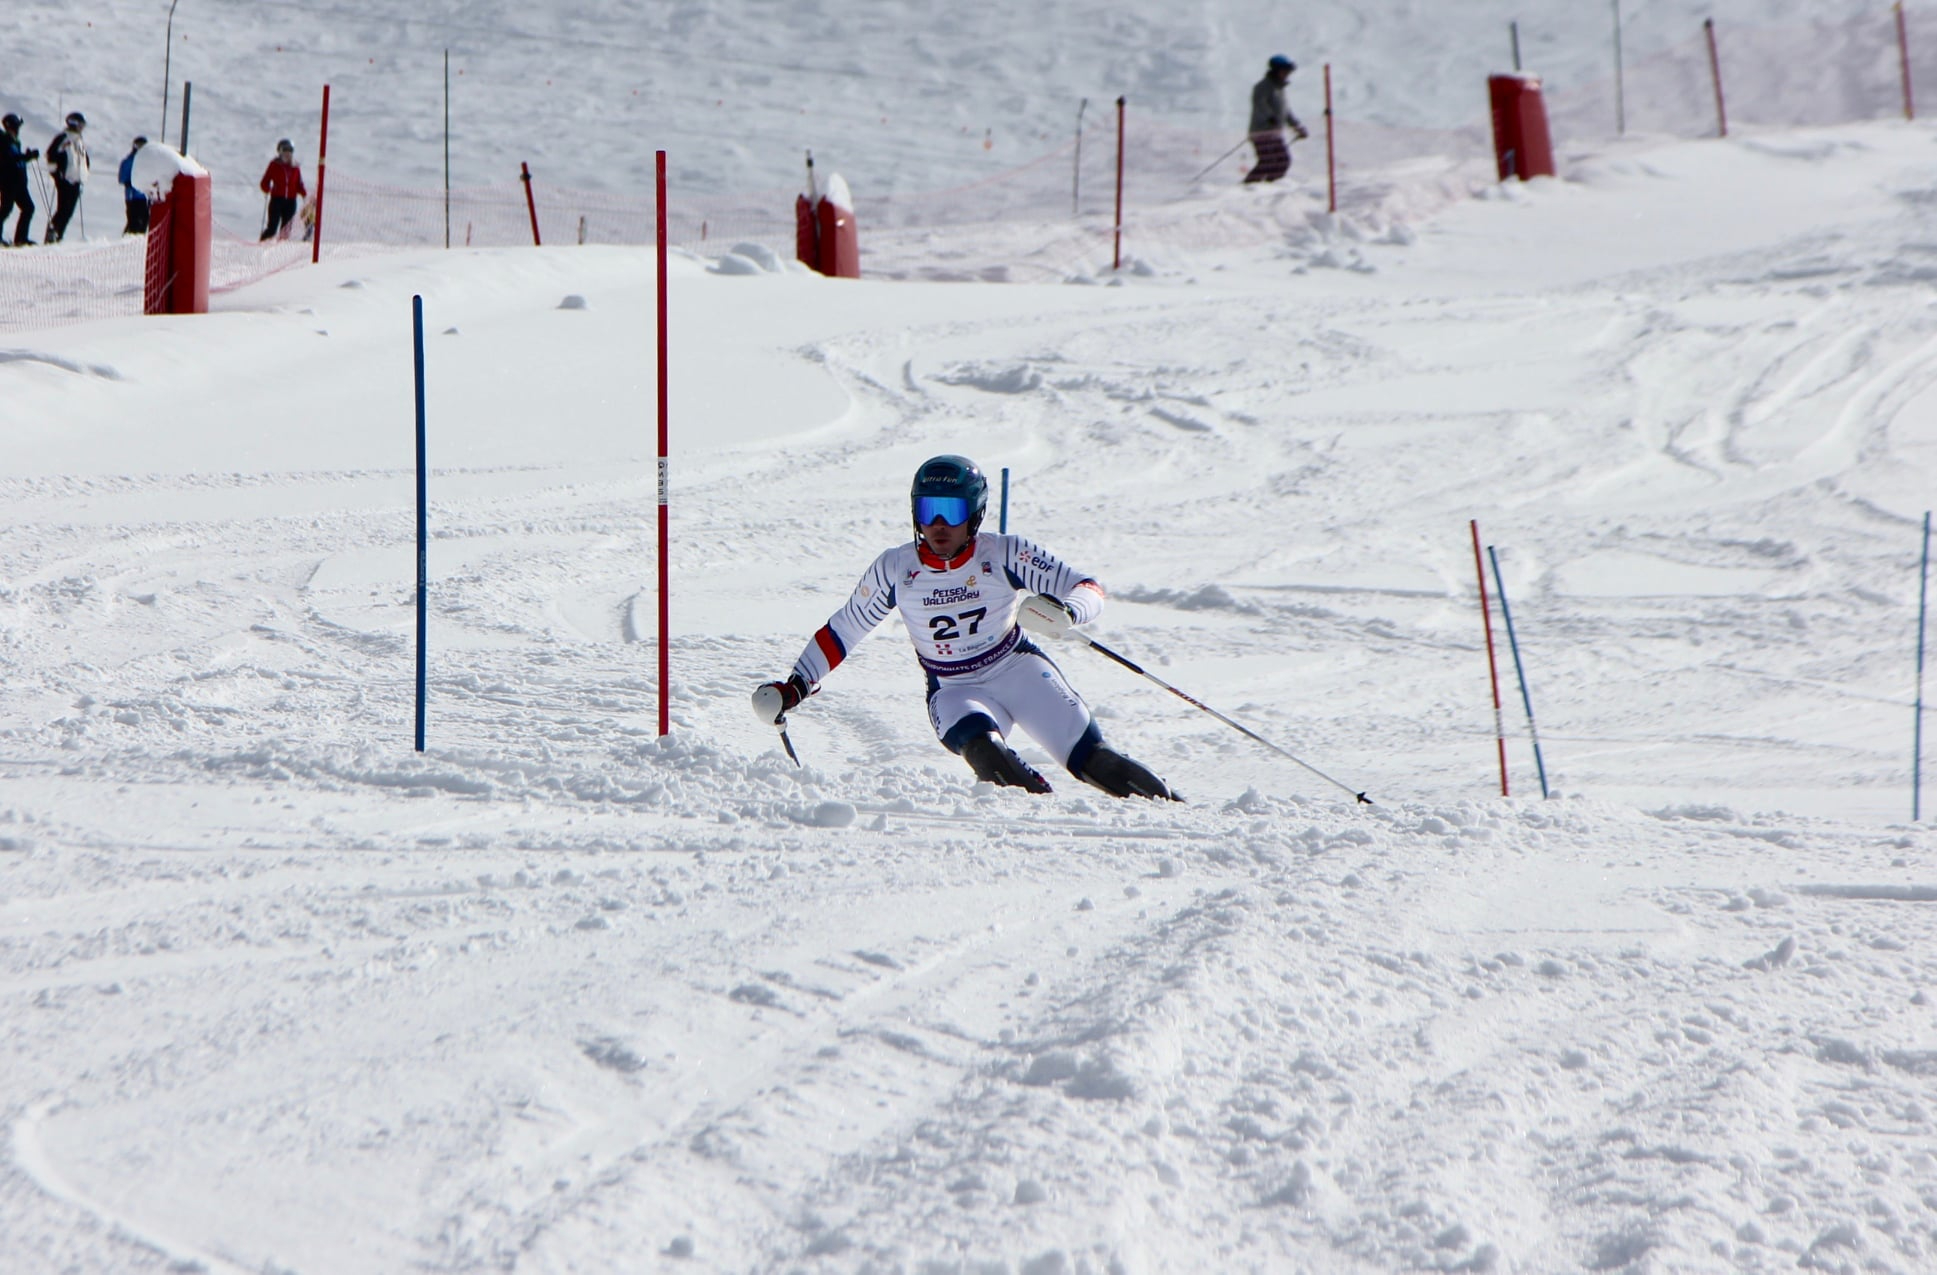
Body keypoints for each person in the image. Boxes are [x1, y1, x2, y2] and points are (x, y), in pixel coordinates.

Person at [751, 455, 1179, 799]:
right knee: (987, 754)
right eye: (928, 510)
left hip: (1019, 671)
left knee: (1096, 762)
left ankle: (1180, 818)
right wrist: (798, 684)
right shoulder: (896, 568)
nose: (938, 524)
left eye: (952, 511)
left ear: (973, 514)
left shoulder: (1004, 552)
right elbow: (844, 630)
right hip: (954, 688)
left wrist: (1067, 610)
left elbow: (1087, 588)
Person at [1245, 54, 1307, 185]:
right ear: (1275, 71)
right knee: (1269, 162)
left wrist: (1297, 126)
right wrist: (1270, 117)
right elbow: (1260, 103)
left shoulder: (1280, 89)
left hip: (1274, 133)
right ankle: (1250, 186)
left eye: (1288, 72)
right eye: (1284, 71)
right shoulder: (1262, 86)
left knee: (1280, 161)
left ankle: (1269, 185)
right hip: (1262, 132)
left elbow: (1286, 112)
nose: (1287, 74)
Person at [44, 111, 88, 243]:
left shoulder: (79, 140)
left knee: (69, 211)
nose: (82, 128)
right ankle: (52, 235)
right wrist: (56, 174)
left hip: (76, 180)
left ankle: (59, 235)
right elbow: (51, 154)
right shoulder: (63, 138)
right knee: (63, 209)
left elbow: (84, 158)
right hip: (65, 179)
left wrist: (85, 173)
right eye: (80, 125)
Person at [0, 113, 38, 246]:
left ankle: (21, 239)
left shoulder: (15, 141)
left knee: (28, 208)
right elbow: (8, 159)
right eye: (17, 126)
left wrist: (28, 157)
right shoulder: (3, 140)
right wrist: (25, 157)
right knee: (6, 209)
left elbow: (17, 159)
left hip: (19, 182)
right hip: (8, 182)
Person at [259, 139, 306, 241]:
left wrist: (304, 194)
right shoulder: (274, 165)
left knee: (286, 230)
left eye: (290, 150)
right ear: (280, 151)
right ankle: (262, 243)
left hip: (291, 201)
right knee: (272, 228)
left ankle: (280, 248)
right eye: (285, 150)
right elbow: (264, 182)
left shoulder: (295, 167)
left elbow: (299, 184)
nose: (287, 153)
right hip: (277, 200)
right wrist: (268, 189)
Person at [118, 136, 148, 234]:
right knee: (133, 220)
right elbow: (122, 178)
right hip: (133, 196)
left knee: (144, 220)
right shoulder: (129, 160)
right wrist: (129, 183)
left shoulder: (148, 161)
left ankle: (139, 237)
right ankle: (130, 236)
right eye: (138, 146)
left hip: (145, 195)